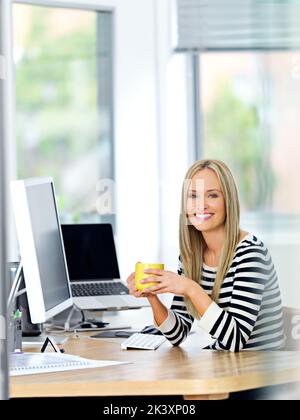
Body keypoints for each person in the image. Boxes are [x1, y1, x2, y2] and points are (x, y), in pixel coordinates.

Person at [126, 159, 285, 352]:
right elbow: (177, 334)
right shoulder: (191, 255)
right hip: (224, 364)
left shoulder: (251, 253)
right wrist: (152, 296)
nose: (200, 205)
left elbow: (234, 339)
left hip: (254, 372)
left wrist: (190, 288)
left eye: (212, 195)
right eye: (193, 196)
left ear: (229, 202)